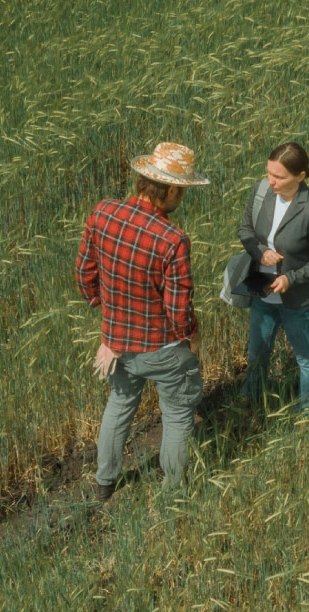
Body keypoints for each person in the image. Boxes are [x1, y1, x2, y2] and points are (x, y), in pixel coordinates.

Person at [77, 142, 209, 500]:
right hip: (163, 348)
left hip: (118, 344)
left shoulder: (102, 213)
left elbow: (84, 275)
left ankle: (105, 482)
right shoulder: (173, 239)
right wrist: (192, 336)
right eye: (181, 191)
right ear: (169, 190)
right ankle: (173, 491)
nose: (181, 198)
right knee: (179, 414)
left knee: (119, 405)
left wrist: (111, 316)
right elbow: (178, 309)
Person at [238, 142, 309, 411]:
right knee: (257, 355)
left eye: (279, 177)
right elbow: (245, 230)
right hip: (262, 295)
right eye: (269, 173)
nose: (271, 181)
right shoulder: (261, 192)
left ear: (300, 176)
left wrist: (290, 278)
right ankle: (251, 404)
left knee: (306, 360)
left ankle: (305, 413)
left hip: (299, 302)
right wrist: (260, 253)